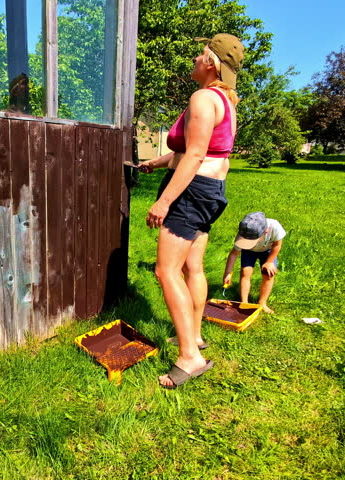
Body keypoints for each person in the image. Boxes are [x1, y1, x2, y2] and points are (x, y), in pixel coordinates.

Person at [137, 34, 244, 389]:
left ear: (212, 63)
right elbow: (205, 151)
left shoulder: (201, 98)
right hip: (211, 191)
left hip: (191, 191)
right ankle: (194, 337)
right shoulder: (224, 101)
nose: (196, 60)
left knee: (165, 271)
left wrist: (164, 200)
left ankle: (189, 357)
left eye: (201, 54)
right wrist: (158, 162)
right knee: (192, 267)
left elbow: (196, 156)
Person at [222, 212, 286, 314]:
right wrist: (228, 273)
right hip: (249, 251)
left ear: (265, 232)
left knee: (268, 274)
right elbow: (233, 254)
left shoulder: (275, 227)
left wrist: (269, 262)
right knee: (245, 272)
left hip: (268, 251)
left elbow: (277, 245)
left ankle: (262, 302)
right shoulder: (244, 234)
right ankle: (244, 302)